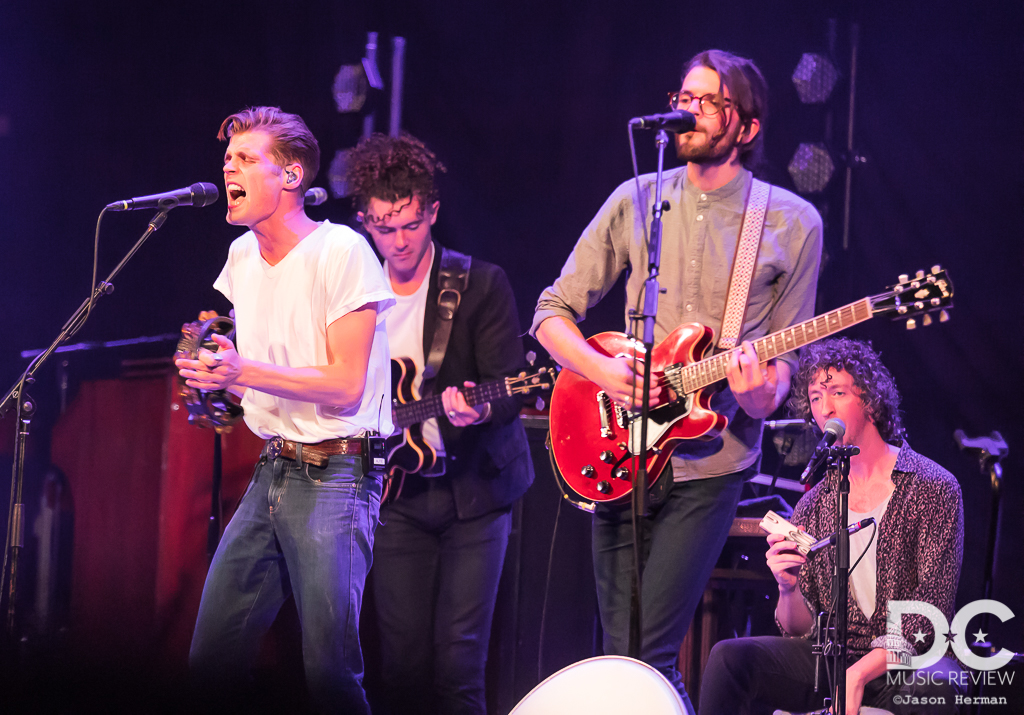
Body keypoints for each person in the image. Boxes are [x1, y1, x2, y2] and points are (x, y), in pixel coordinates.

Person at [532, 49, 823, 712]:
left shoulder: (788, 221)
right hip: (618, 447)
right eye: (682, 96)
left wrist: (757, 391)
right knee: (616, 651)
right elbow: (550, 313)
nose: (685, 111)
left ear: (745, 127)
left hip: (710, 462)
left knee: (649, 651)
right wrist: (605, 370)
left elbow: (782, 372)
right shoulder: (636, 198)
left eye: (706, 101)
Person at [175, 106, 395, 715]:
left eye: (247, 159)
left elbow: (346, 385)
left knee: (330, 675)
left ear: (292, 175)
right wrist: (219, 375)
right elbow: (270, 385)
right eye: (228, 160)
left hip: (337, 476)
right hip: (273, 470)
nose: (229, 168)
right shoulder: (242, 256)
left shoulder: (340, 250)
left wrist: (243, 370)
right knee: (211, 660)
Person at [347, 133, 534, 715]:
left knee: (459, 666)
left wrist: (478, 406)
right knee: (401, 667)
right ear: (363, 223)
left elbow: (510, 384)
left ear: (432, 212)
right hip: (396, 497)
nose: (398, 242)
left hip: (475, 495)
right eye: (382, 227)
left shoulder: (478, 284)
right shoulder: (352, 295)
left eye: (410, 225)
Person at [698, 338, 965, 715]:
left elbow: (929, 613)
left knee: (939, 686)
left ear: (870, 400)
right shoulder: (815, 502)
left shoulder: (933, 486)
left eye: (837, 392)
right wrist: (787, 586)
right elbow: (799, 627)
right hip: (832, 660)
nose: (826, 408)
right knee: (730, 658)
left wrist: (857, 676)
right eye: (816, 398)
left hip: (904, 663)